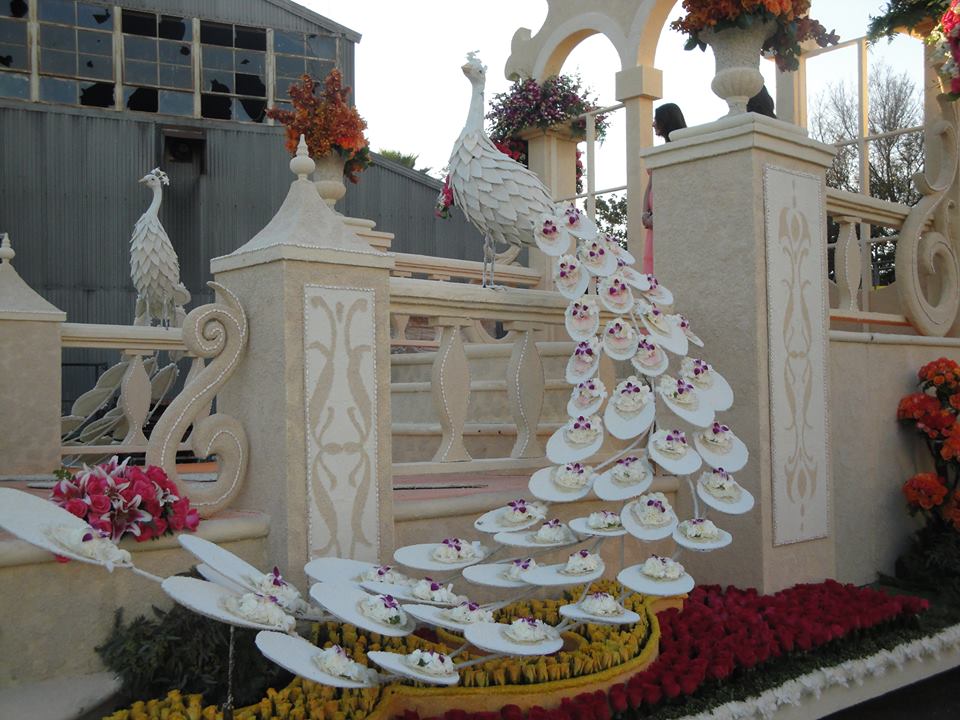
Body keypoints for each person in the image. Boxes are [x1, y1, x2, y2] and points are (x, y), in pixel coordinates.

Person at [642, 103, 687, 273]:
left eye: (656, 119)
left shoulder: (682, 148)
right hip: (653, 224)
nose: (653, 124)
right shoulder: (659, 154)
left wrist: (660, 217)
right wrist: (644, 213)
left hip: (669, 223)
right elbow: (650, 186)